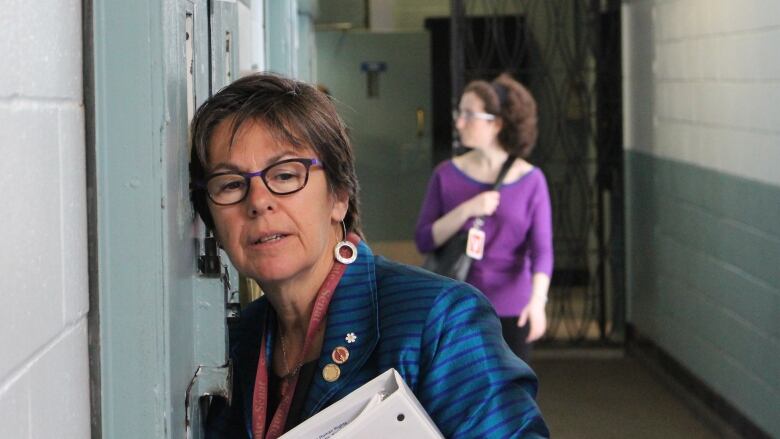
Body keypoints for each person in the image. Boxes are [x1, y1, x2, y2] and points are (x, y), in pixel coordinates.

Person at [190, 73, 549, 438]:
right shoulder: (237, 343)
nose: (258, 202)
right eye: (231, 184)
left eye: (285, 175)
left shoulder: (438, 322)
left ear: (339, 196)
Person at [415, 74, 553, 362]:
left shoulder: (531, 180)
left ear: (496, 123)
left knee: (511, 399)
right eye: (459, 113)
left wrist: (538, 302)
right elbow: (424, 239)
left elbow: (542, 252)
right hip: (458, 306)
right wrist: (467, 209)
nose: (459, 122)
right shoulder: (446, 174)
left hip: (513, 309)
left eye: (468, 114)